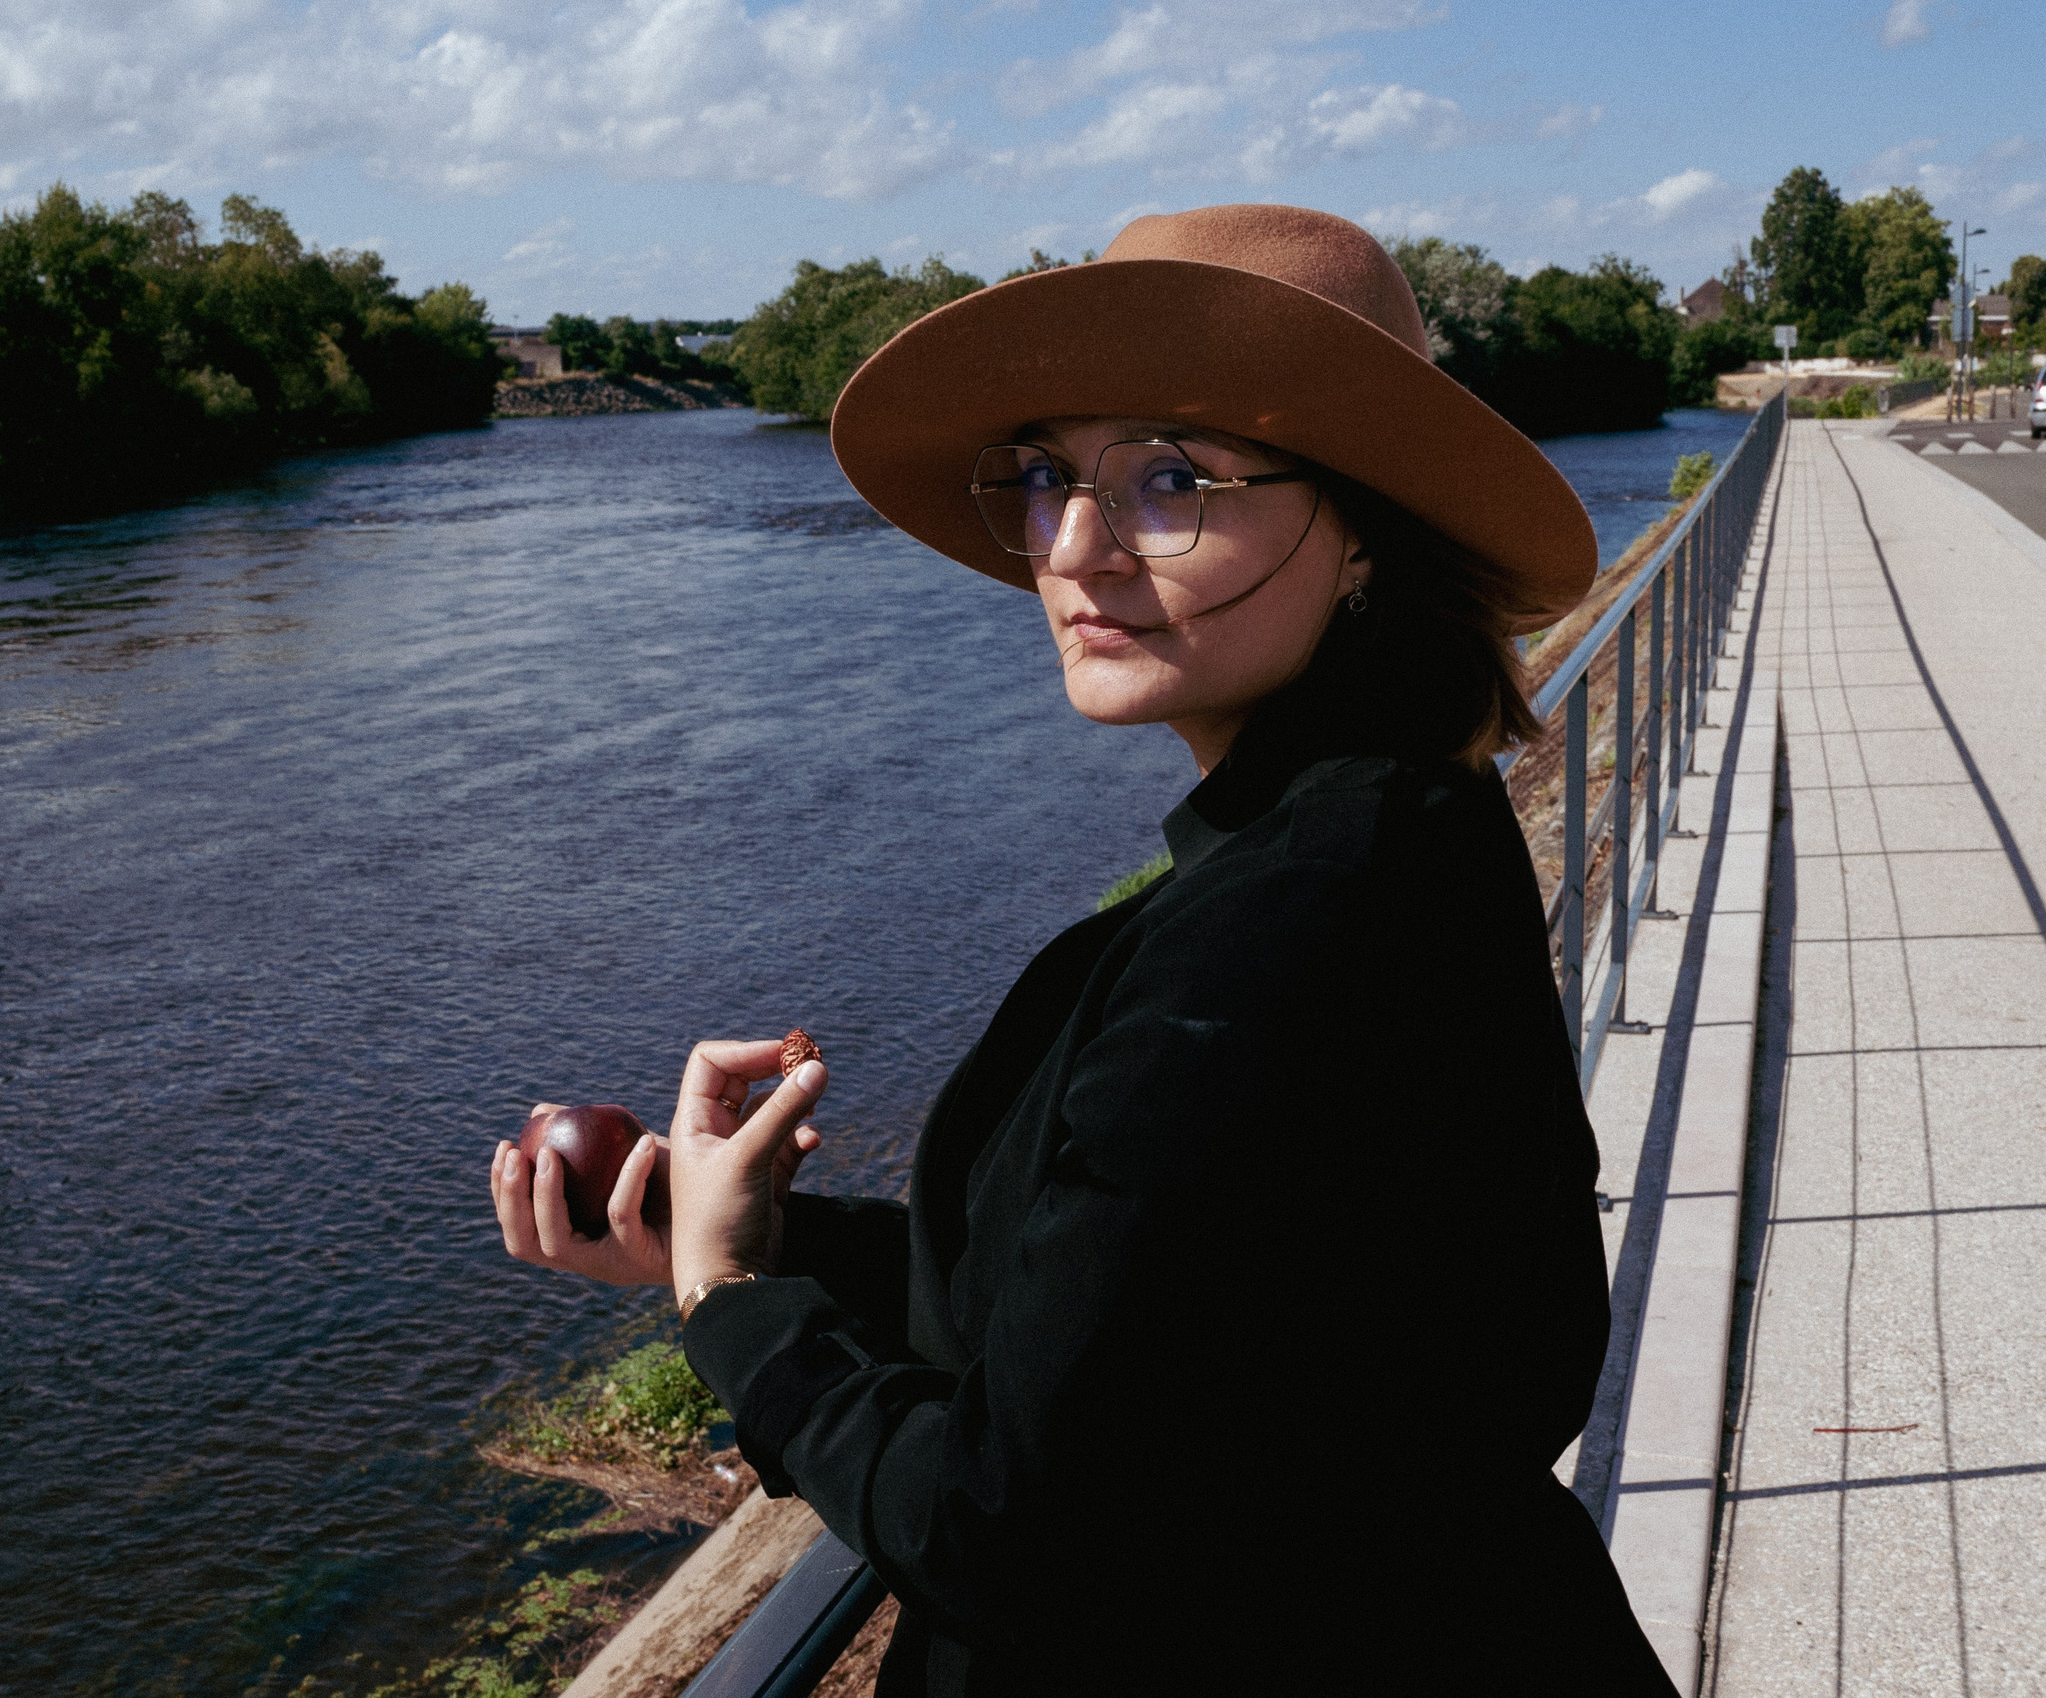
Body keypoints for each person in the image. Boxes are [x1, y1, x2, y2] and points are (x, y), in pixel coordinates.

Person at [489, 205, 1676, 1695]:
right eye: (1051, 475)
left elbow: (1010, 1524)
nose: (1073, 547)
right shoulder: (1396, 824)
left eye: (1170, 480)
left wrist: (735, 1312)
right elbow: (1162, 1307)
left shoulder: (1283, 917)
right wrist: (750, 1233)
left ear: (1366, 523)